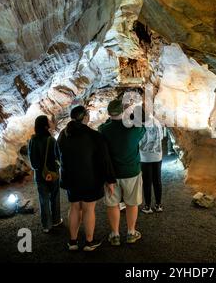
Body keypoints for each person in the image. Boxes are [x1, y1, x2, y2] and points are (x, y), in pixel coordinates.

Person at [56, 106, 116, 252]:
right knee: (89, 209)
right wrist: (110, 180)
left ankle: (73, 241)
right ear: (85, 117)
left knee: (75, 207)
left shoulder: (63, 135)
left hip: (70, 178)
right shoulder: (94, 136)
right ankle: (89, 242)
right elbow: (104, 160)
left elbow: (58, 155)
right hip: (90, 179)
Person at [98, 98, 145, 246]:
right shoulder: (134, 128)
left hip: (111, 174)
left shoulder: (104, 130)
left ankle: (115, 234)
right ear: (123, 111)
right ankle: (131, 232)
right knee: (132, 203)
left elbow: (104, 126)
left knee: (113, 204)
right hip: (131, 172)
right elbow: (142, 126)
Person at [28, 115, 62, 233]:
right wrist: (56, 167)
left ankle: (46, 225)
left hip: (39, 175)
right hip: (53, 173)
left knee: (43, 199)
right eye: (48, 121)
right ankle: (56, 220)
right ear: (45, 126)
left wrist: (39, 168)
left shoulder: (33, 140)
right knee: (55, 196)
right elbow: (58, 157)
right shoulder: (51, 140)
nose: (50, 123)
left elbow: (33, 162)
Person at [140, 112, 164, 214]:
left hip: (145, 158)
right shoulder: (156, 121)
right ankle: (158, 205)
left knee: (147, 182)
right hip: (157, 156)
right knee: (157, 181)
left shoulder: (140, 126)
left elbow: (139, 142)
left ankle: (147, 206)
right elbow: (162, 136)